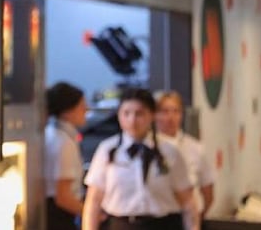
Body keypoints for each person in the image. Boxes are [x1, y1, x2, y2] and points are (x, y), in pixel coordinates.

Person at [82, 88, 199, 230]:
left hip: (162, 223)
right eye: (126, 113)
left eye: (139, 114)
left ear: (151, 115)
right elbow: (93, 201)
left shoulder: (169, 151)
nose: (132, 120)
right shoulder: (107, 150)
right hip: (121, 223)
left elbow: (187, 201)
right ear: (119, 115)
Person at [155, 91, 215, 219]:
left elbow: (207, 189)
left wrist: (199, 216)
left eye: (176, 111)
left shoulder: (195, 148)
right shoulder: (148, 147)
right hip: (158, 218)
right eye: (164, 111)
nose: (170, 117)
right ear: (154, 115)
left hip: (187, 215)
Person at [44, 82, 88, 230]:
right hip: (59, 216)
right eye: (82, 106)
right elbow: (63, 197)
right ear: (68, 111)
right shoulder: (63, 142)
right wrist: (92, 215)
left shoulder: (52, 133)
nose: (86, 110)